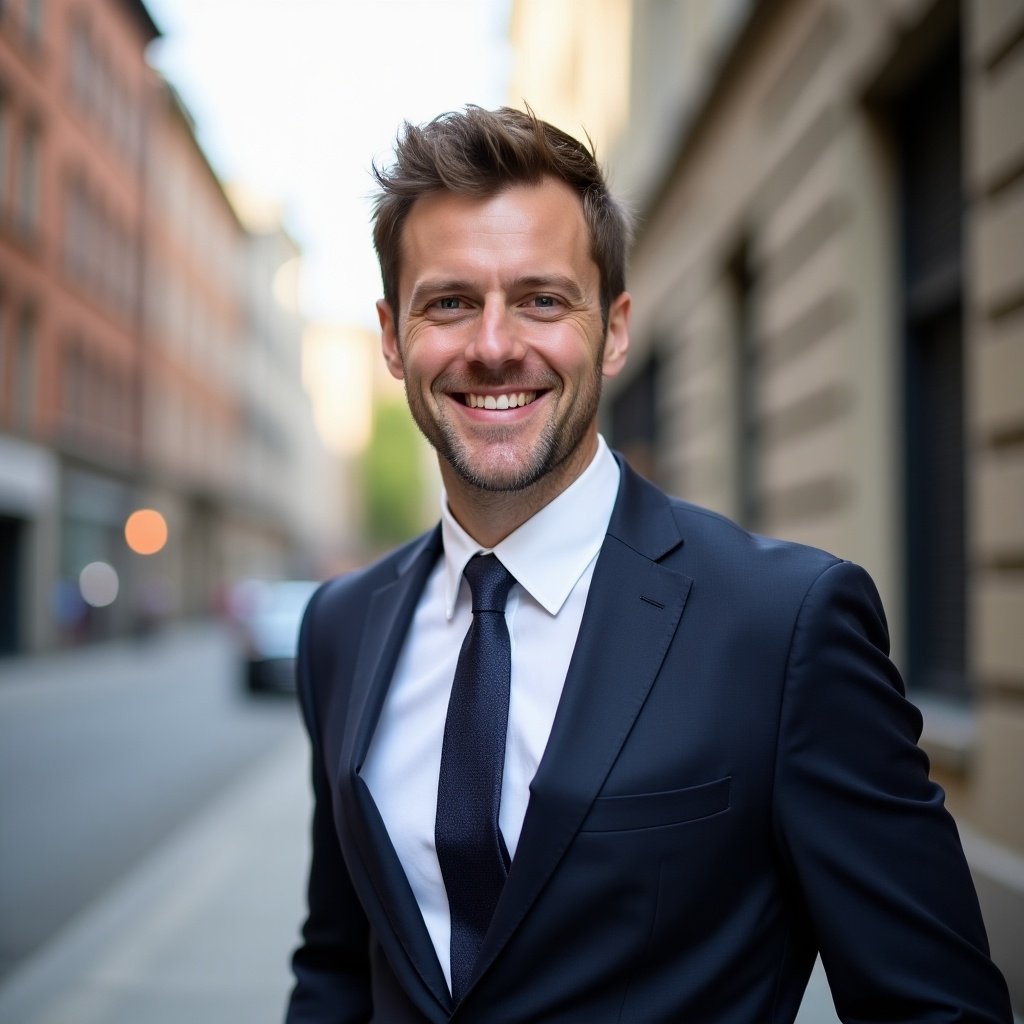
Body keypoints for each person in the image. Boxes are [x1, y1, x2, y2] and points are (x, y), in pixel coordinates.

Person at [285, 106, 1011, 1023]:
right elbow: (339, 961)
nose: (496, 344)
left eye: (543, 299)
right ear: (393, 338)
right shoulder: (341, 628)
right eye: (451, 301)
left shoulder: (783, 624)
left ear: (615, 329)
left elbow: (934, 1007)